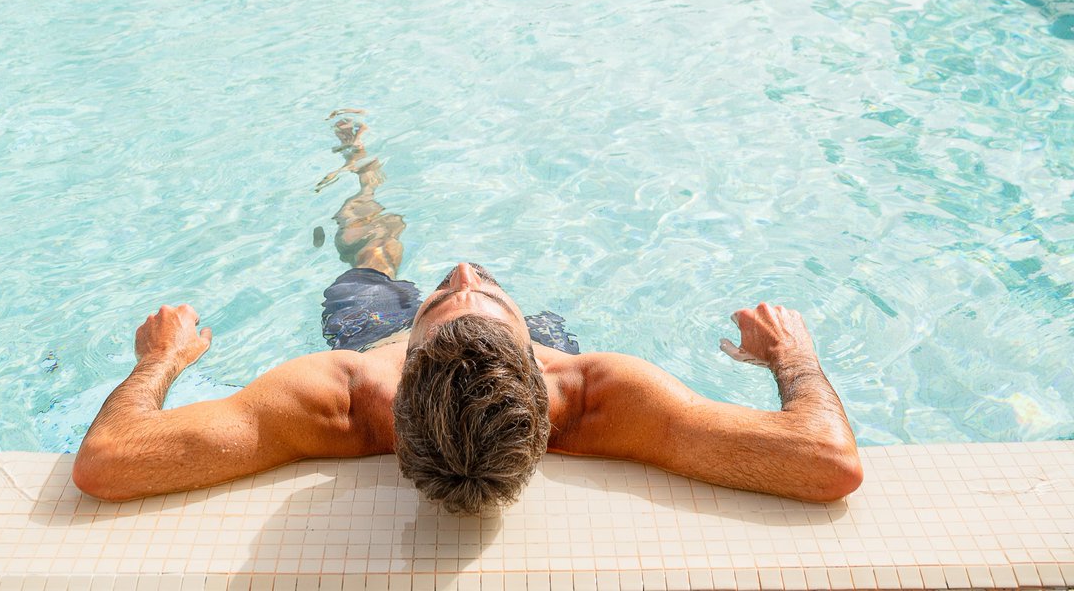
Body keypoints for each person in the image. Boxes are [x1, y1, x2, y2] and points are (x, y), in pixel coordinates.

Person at [72, 114, 863, 514]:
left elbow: (108, 461)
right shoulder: (603, 396)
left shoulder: (338, 395)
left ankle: (365, 187)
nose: (460, 271)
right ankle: (364, 180)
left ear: (402, 370)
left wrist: (161, 361)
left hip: (373, 343)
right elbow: (828, 461)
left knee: (368, 271)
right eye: (467, 288)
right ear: (542, 368)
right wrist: (791, 358)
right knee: (378, 256)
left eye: (455, 294)